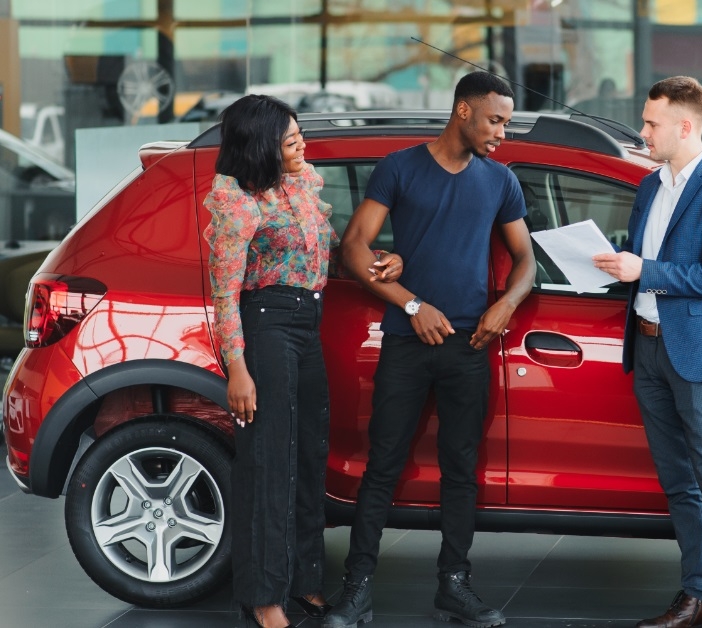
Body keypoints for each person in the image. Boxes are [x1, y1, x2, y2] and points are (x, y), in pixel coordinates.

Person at [323, 71, 536, 628]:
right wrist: (413, 306)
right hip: (407, 344)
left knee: (461, 469)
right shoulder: (399, 168)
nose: (502, 133)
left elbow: (527, 261)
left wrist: (505, 305)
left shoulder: (499, 181)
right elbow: (354, 247)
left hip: (470, 344)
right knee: (383, 464)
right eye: (496, 120)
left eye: (507, 123)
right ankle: (357, 588)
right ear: (463, 111)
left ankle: (455, 586)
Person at [204, 95, 399, 628]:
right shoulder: (237, 204)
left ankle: (304, 582)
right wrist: (237, 368)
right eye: (291, 141)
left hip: (306, 327)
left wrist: (383, 258)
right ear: (263, 145)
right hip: (266, 328)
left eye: (299, 137)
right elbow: (224, 294)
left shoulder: (301, 186)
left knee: (309, 457)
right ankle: (264, 599)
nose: (303, 146)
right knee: (268, 463)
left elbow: (325, 253)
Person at [593, 76, 702, 628]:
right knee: (679, 484)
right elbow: (646, 265)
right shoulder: (649, 188)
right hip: (649, 349)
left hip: (700, 357)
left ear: (685, 126)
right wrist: (615, 266)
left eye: (651, 123)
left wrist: (645, 271)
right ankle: (699, 596)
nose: (643, 131)